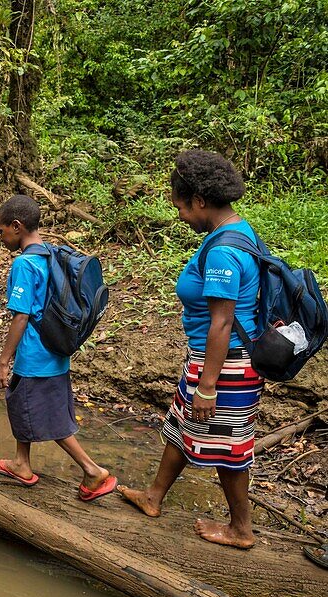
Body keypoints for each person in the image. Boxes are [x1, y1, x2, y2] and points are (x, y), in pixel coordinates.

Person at [119, 150, 263, 549]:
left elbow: (221, 321)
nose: (181, 215)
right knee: (182, 427)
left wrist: (208, 386)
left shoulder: (221, 252)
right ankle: (153, 496)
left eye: (181, 206)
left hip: (226, 364)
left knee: (227, 446)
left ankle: (241, 529)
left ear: (199, 200)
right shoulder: (237, 230)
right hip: (210, 359)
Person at [0, 195, 116, 500]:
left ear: (16, 227)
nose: (1, 236)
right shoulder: (52, 254)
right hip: (56, 349)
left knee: (50, 418)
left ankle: (93, 471)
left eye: (2, 230)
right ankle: (21, 462)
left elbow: (21, 316)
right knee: (21, 403)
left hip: (35, 354)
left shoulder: (25, 264)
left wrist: (4, 361)